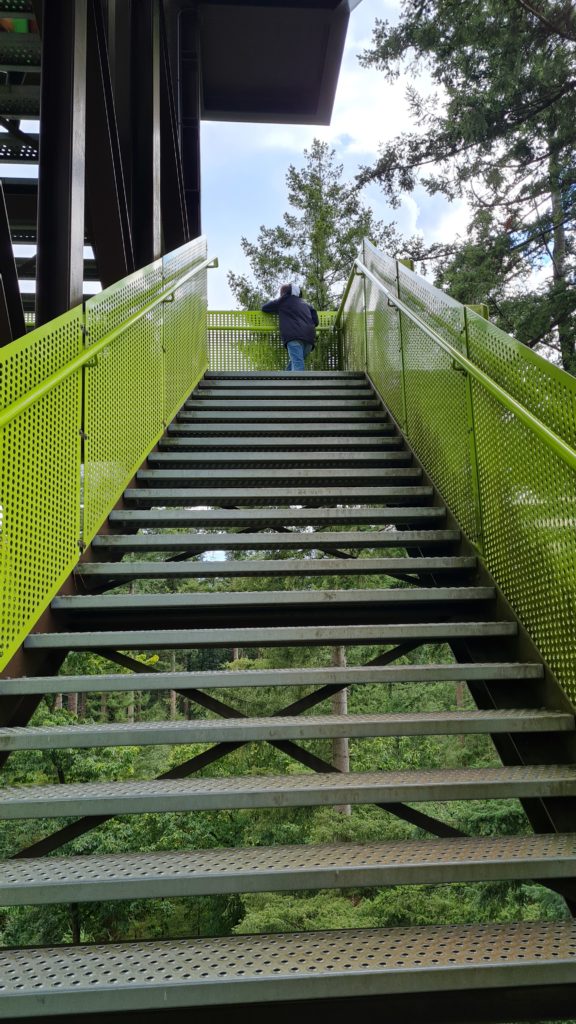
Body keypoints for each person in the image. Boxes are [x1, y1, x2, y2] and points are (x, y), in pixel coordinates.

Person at [262, 283, 319, 371]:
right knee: (296, 361)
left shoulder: (283, 300)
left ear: (285, 293)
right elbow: (316, 321)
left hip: (294, 336)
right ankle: (284, 381)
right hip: (309, 339)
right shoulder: (307, 304)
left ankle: (298, 384)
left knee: (297, 363)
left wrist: (281, 308)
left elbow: (265, 308)